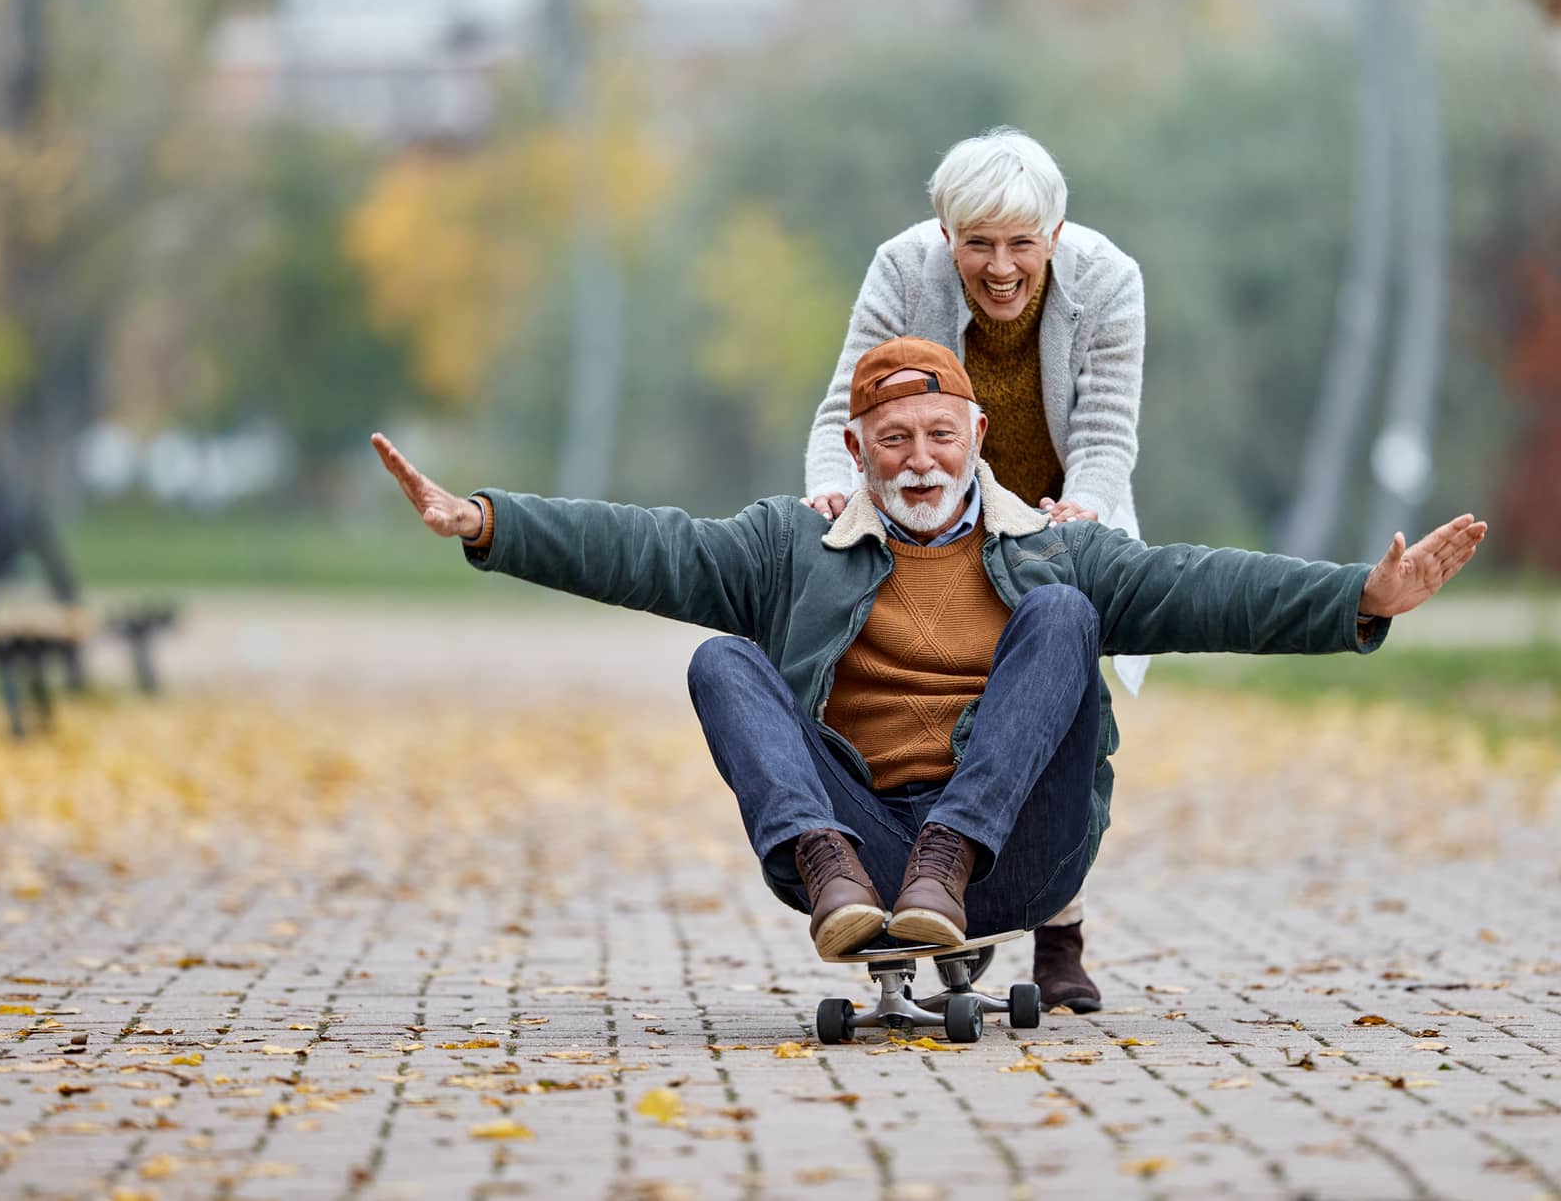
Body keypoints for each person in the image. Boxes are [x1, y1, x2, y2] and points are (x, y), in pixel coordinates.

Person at [371, 338, 1486, 979]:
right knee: (722, 660)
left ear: (975, 442)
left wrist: (1359, 597)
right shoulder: (788, 547)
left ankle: (943, 867)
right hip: (851, 844)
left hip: (1009, 855)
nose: (916, 459)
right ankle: (834, 881)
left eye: (938, 436)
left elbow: (1203, 585)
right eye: (892, 441)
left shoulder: (1052, 549)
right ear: (856, 451)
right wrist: (489, 522)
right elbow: (651, 548)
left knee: (1061, 619)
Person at [803, 127, 1146, 1009]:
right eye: (977, 244)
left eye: (1021, 245)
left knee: (1060, 706)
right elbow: (849, 402)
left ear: (1056, 238)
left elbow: (1107, 434)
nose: (1000, 268)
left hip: (1054, 511)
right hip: (932, 504)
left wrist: (1086, 514)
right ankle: (955, 891)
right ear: (944, 233)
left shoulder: (1110, 282)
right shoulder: (900, 270)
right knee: (935, 697)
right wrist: (833, 495)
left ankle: (1058, 926)